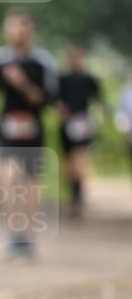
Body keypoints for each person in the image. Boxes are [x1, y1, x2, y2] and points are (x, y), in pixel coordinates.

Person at [0, 10, 59, 260]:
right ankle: (13, 234)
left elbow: (45, 99)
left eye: (23, 26)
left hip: (33, 130)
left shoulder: (42, 62)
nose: (18, 31)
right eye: (13, 26)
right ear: (6, 29)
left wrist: (22, 83)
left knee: (30, 184)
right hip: (8, 130)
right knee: (7, 176)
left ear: (31, 30)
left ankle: (27, 236)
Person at [57, 45, 102, 219]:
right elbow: (54, 100)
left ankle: (78, 199)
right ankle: (73, 197)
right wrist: (61, 111)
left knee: (79, 162)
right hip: (66, 124)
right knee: (69, 164)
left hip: (82, 124)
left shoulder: (89, 79)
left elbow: (98, 100)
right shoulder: (62, 79)